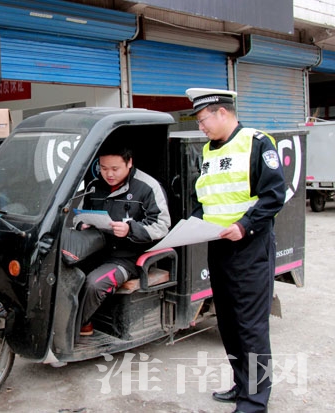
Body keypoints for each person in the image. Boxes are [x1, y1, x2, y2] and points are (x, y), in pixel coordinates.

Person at [185, 88, 286, 413]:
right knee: (228, 323)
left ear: (222, 112)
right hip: (219, 247)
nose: (201, 127)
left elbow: (274, 194)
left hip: (250, 247)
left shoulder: (256, 143)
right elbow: (208, 198)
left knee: (251, 326)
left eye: (203, 120)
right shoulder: (209, 151)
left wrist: (244, 225)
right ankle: (242, 385)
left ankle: (255, 399)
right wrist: (192, 225)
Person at [76, 142, 171, 336]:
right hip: (95, 250)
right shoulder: (94, 186)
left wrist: (130, 230)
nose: (109, 174)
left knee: (94, 284)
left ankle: (73, 329)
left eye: (115, 169)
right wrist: (81, 224)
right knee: (64, 274)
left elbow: (162, 226)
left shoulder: (147, 187)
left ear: (129, 163)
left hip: (128, 258)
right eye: (103, 168)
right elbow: (78, 216)